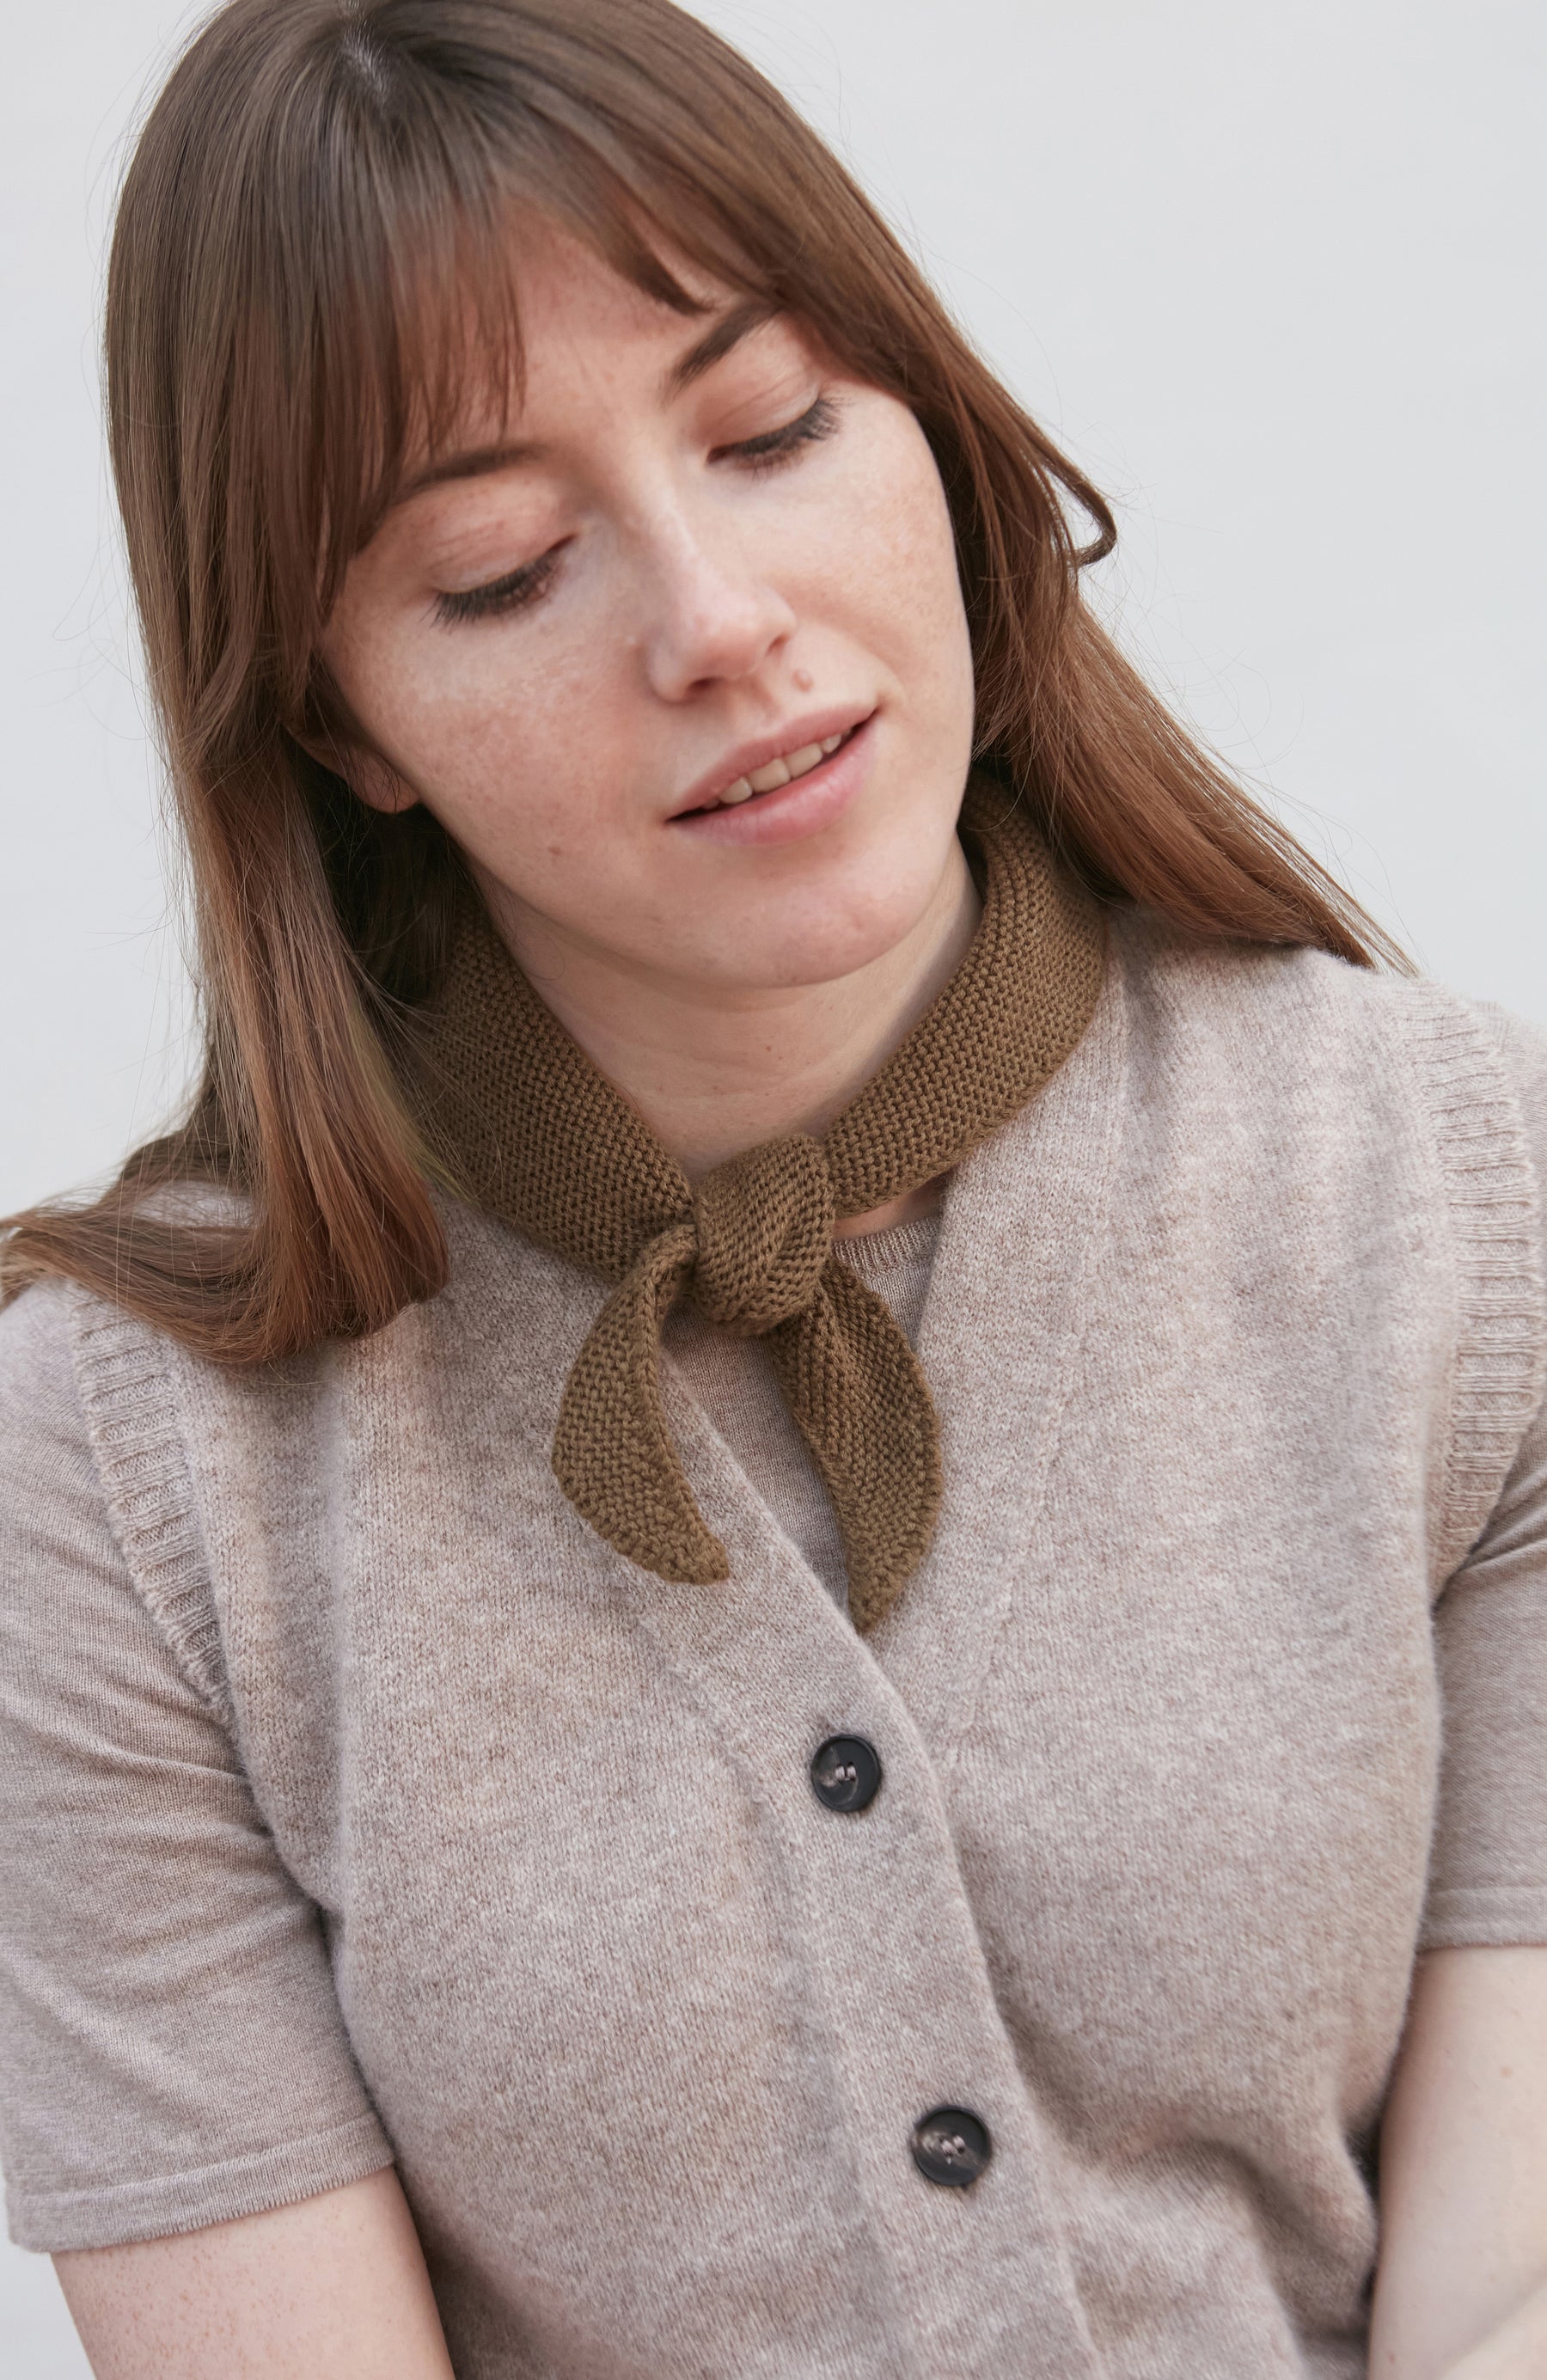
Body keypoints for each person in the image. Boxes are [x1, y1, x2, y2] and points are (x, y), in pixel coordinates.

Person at [1, 2, 1543, 2373]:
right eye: (505, 570)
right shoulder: (107, 1480)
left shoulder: (1457, 1196)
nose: (719, 623)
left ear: (929, 422)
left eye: (775, 429)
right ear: (335, 721)